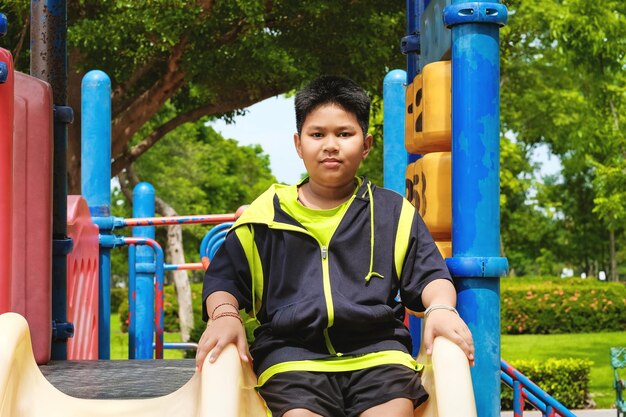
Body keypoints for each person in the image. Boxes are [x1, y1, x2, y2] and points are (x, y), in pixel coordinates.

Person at [196, 75, 474, 417]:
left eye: (344, 134)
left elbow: (430, 274)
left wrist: (441, 309)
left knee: (393, 411)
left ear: (366, 144)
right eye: (317, 135)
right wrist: (224, 315)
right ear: (298, 144)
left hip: (379, 355)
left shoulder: (391, 211)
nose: (330, 145)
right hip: (292, 358)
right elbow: (224, 281)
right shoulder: (265, 216)